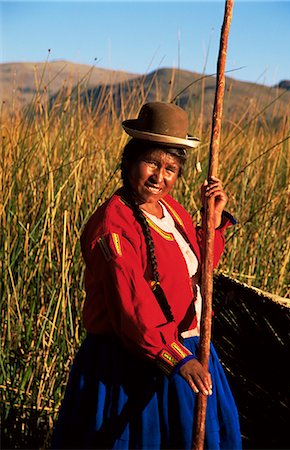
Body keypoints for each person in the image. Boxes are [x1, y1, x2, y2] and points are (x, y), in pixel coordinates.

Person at [52, 102, 241, 449]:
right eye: (151, 162)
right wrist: (177, 358)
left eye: (170, 168)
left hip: (189, 353)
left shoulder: (172, 211)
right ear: (130, 161)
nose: (159, 177)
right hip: (133, 362)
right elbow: (132, 306)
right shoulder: (113, 226)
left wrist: (211, 225)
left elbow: (199, 271)